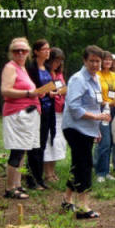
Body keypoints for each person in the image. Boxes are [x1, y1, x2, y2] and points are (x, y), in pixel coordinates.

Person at [61, 45, 111, 219]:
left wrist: (96, 128)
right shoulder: (78, 79)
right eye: (92, 61)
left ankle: (67, 200)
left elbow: (96, 103)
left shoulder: (96, 78)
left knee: (78, 163)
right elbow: (75, 108)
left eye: (98, 61)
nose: (95, 64)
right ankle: (83, 207)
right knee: (85, 165)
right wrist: (98, 118)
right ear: (85, 60)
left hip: (88, 128)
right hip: (75, 127)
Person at [1, 37, 40, 199]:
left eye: (24, 50)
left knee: (23, 149)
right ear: (11, 53)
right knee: (16, 150)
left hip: (28, 115)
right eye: (17, 50)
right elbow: (5, 90)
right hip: (16, 114)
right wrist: (28, 93)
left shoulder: (22, 68)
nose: (20, 53)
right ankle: (10, 188)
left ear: (28, 53)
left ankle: (17, 184)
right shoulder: (10, 68)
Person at [94, 51, 115, 183]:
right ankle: (100, 172)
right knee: (105, 142)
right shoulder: (97, 75)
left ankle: (106, 171)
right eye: (105, 59)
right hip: (103, 109)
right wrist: (106, 102)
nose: (108, 62)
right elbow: (96, 95)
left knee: (112, 141)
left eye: (110, 60)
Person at [26, 39, 55, 190]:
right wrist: (42, 92)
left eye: (48, 49)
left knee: (42, 143)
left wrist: (52, 92)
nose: (47, 51)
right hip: (36, 109)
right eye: (44, 49)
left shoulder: (48, 67)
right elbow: (31, 88)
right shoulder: (31, 68)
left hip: (48, 109)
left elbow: (49, 86)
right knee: (34, 145)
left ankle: (39, 177)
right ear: (36, 51)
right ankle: (31, 179)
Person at [43, 47, 67, 182]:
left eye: (60, 61)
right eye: (55, 60)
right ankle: (47, 172)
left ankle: (53, 171)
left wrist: (63, 90)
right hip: (49, 110)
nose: (57, 63)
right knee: (48, 140)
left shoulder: (59, 74)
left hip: (60, 110)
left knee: (57, 141)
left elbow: (63, 88)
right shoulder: (45, 73)